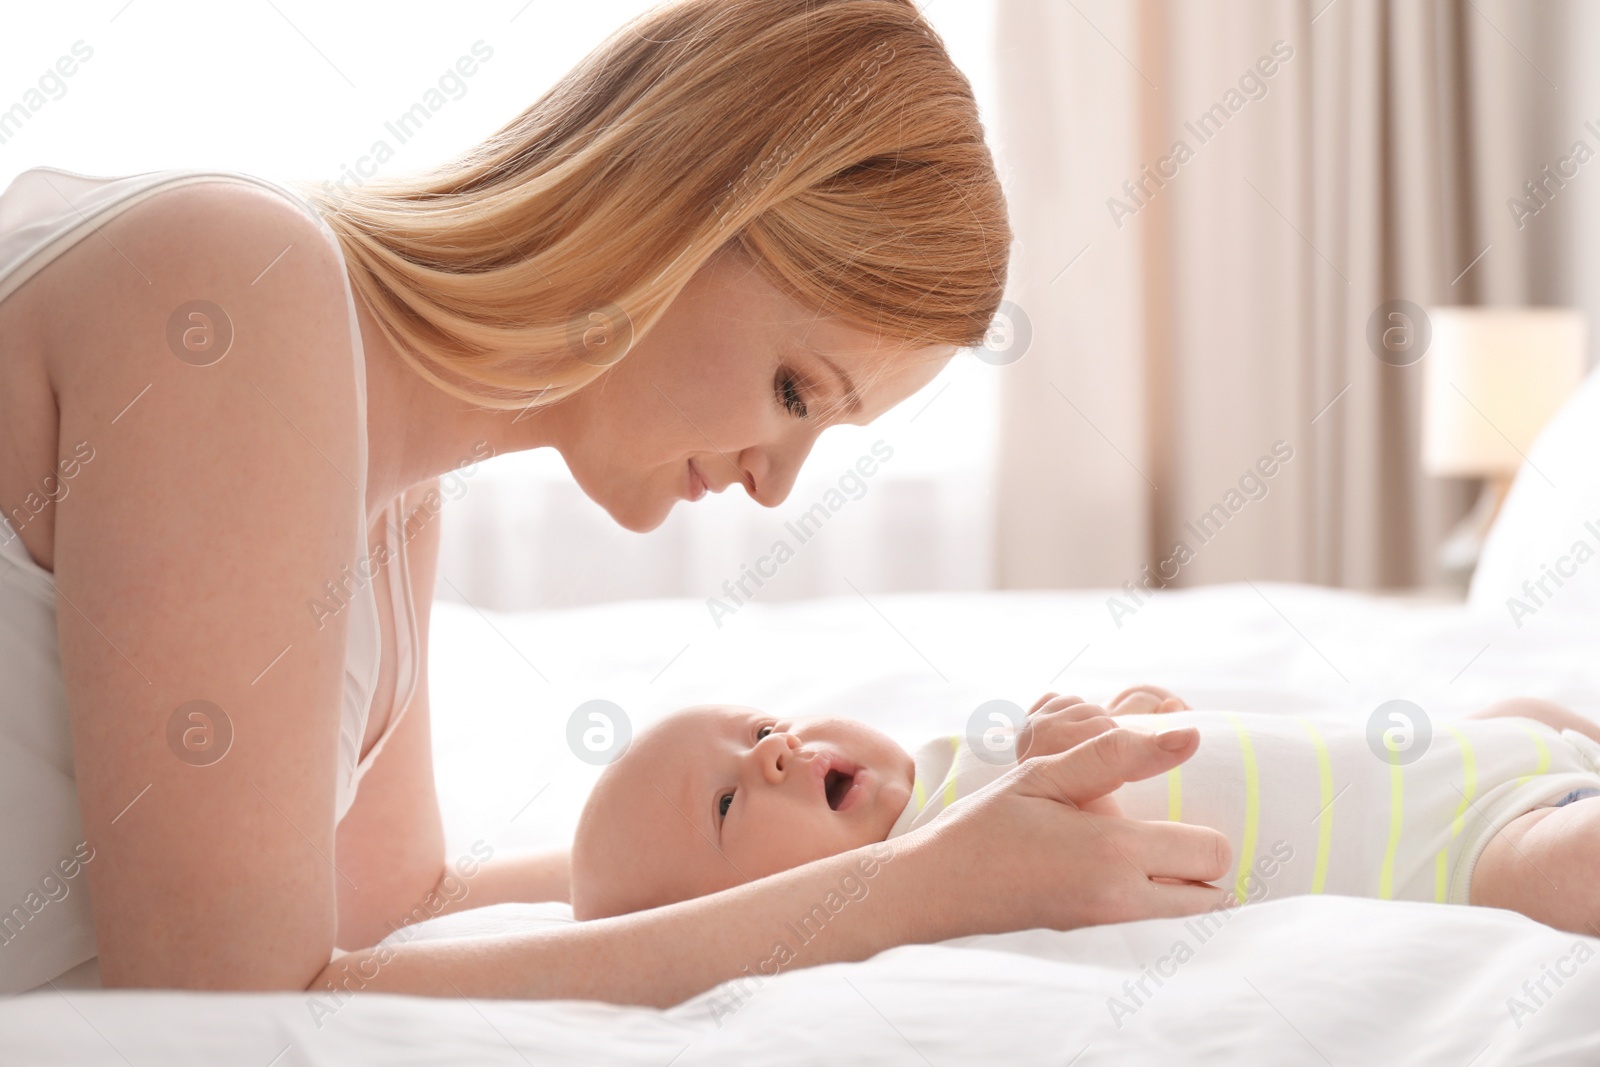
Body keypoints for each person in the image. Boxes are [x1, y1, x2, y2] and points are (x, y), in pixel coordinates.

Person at [0, 0, 1235, 1004]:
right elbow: (225, 1007)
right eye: (796, 389)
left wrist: (901, 842)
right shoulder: (235, 291)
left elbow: (391, 906)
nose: (773, 482)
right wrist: (906, 897)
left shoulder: (388, 498)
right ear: (677, 214)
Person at [570, 687, 1600, 938]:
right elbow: (1101, 872)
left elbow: (1160, 747)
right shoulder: (937, 873)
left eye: (759, 727)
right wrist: (1091, 779)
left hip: (1462, 746)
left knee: (1534, 709)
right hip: (1456, 846)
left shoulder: (934, 768)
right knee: (1570, 868)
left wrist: (1130, 708)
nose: (776, 750)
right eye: (726, 798)